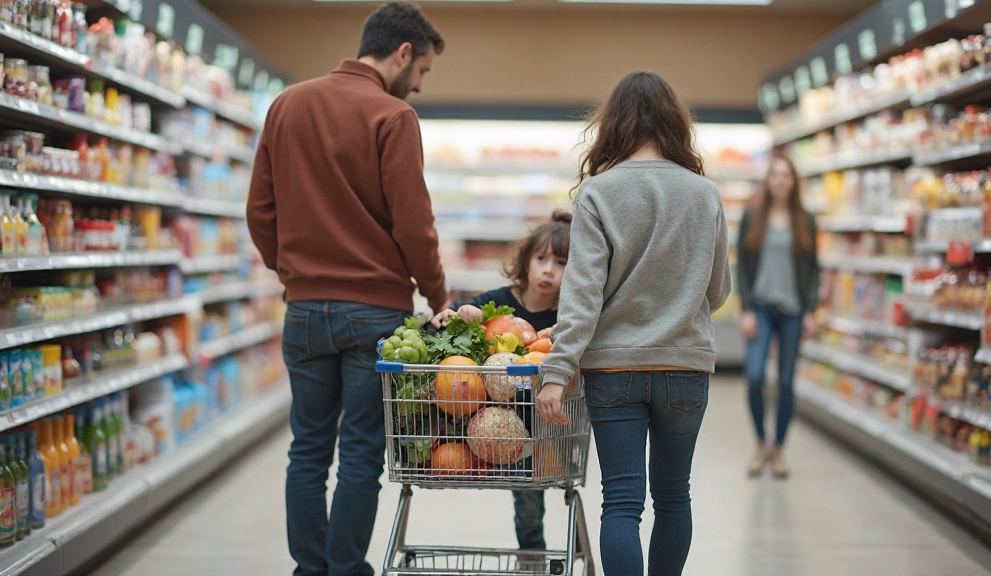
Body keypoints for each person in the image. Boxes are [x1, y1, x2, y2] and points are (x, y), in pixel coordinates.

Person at [246, 3, 448, 575]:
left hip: (304, 310)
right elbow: (414, 223)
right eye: (424, 70)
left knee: (307, 448)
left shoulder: (288, 103)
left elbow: (260, 209)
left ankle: (310, 569)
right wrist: (437, 296)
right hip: (375, 314)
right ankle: (345, 569)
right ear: (403, 53)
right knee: (362, 451)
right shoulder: (393, 117)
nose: (420, 85)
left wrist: (290, 271)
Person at [535, 71, 732, 576]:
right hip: (685, 367)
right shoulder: (703, 194)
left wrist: (557, 372)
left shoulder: (600, 193)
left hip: (614, 370)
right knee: (673, 497)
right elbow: (719, 291)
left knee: (621, 502)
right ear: (674, 122)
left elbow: (580, 298)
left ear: (614, 124)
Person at [431, 211, 571, 554]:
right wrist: (461, 314)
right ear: (526, 261)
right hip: (482, 415)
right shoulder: (500, 302)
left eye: (562, 262)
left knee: (528, 494)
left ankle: (532, 548)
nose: (549, 269)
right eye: (541, 258)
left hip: (535, 425)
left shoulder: (568, 315)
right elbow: (465, 316)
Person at [736, 154, 819, 479]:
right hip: (761, 309)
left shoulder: (806, 220)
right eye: (776, 175)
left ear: (793, 181)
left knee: (785, 382)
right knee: (755, 376)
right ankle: (760, 442)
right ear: (768, 181)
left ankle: (779, 448)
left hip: (793, 312)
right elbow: (742, 265)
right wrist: (745, 309)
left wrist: (810, 310)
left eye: (787, 175)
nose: (781, 180)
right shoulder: (753, 216)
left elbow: (813, 270)